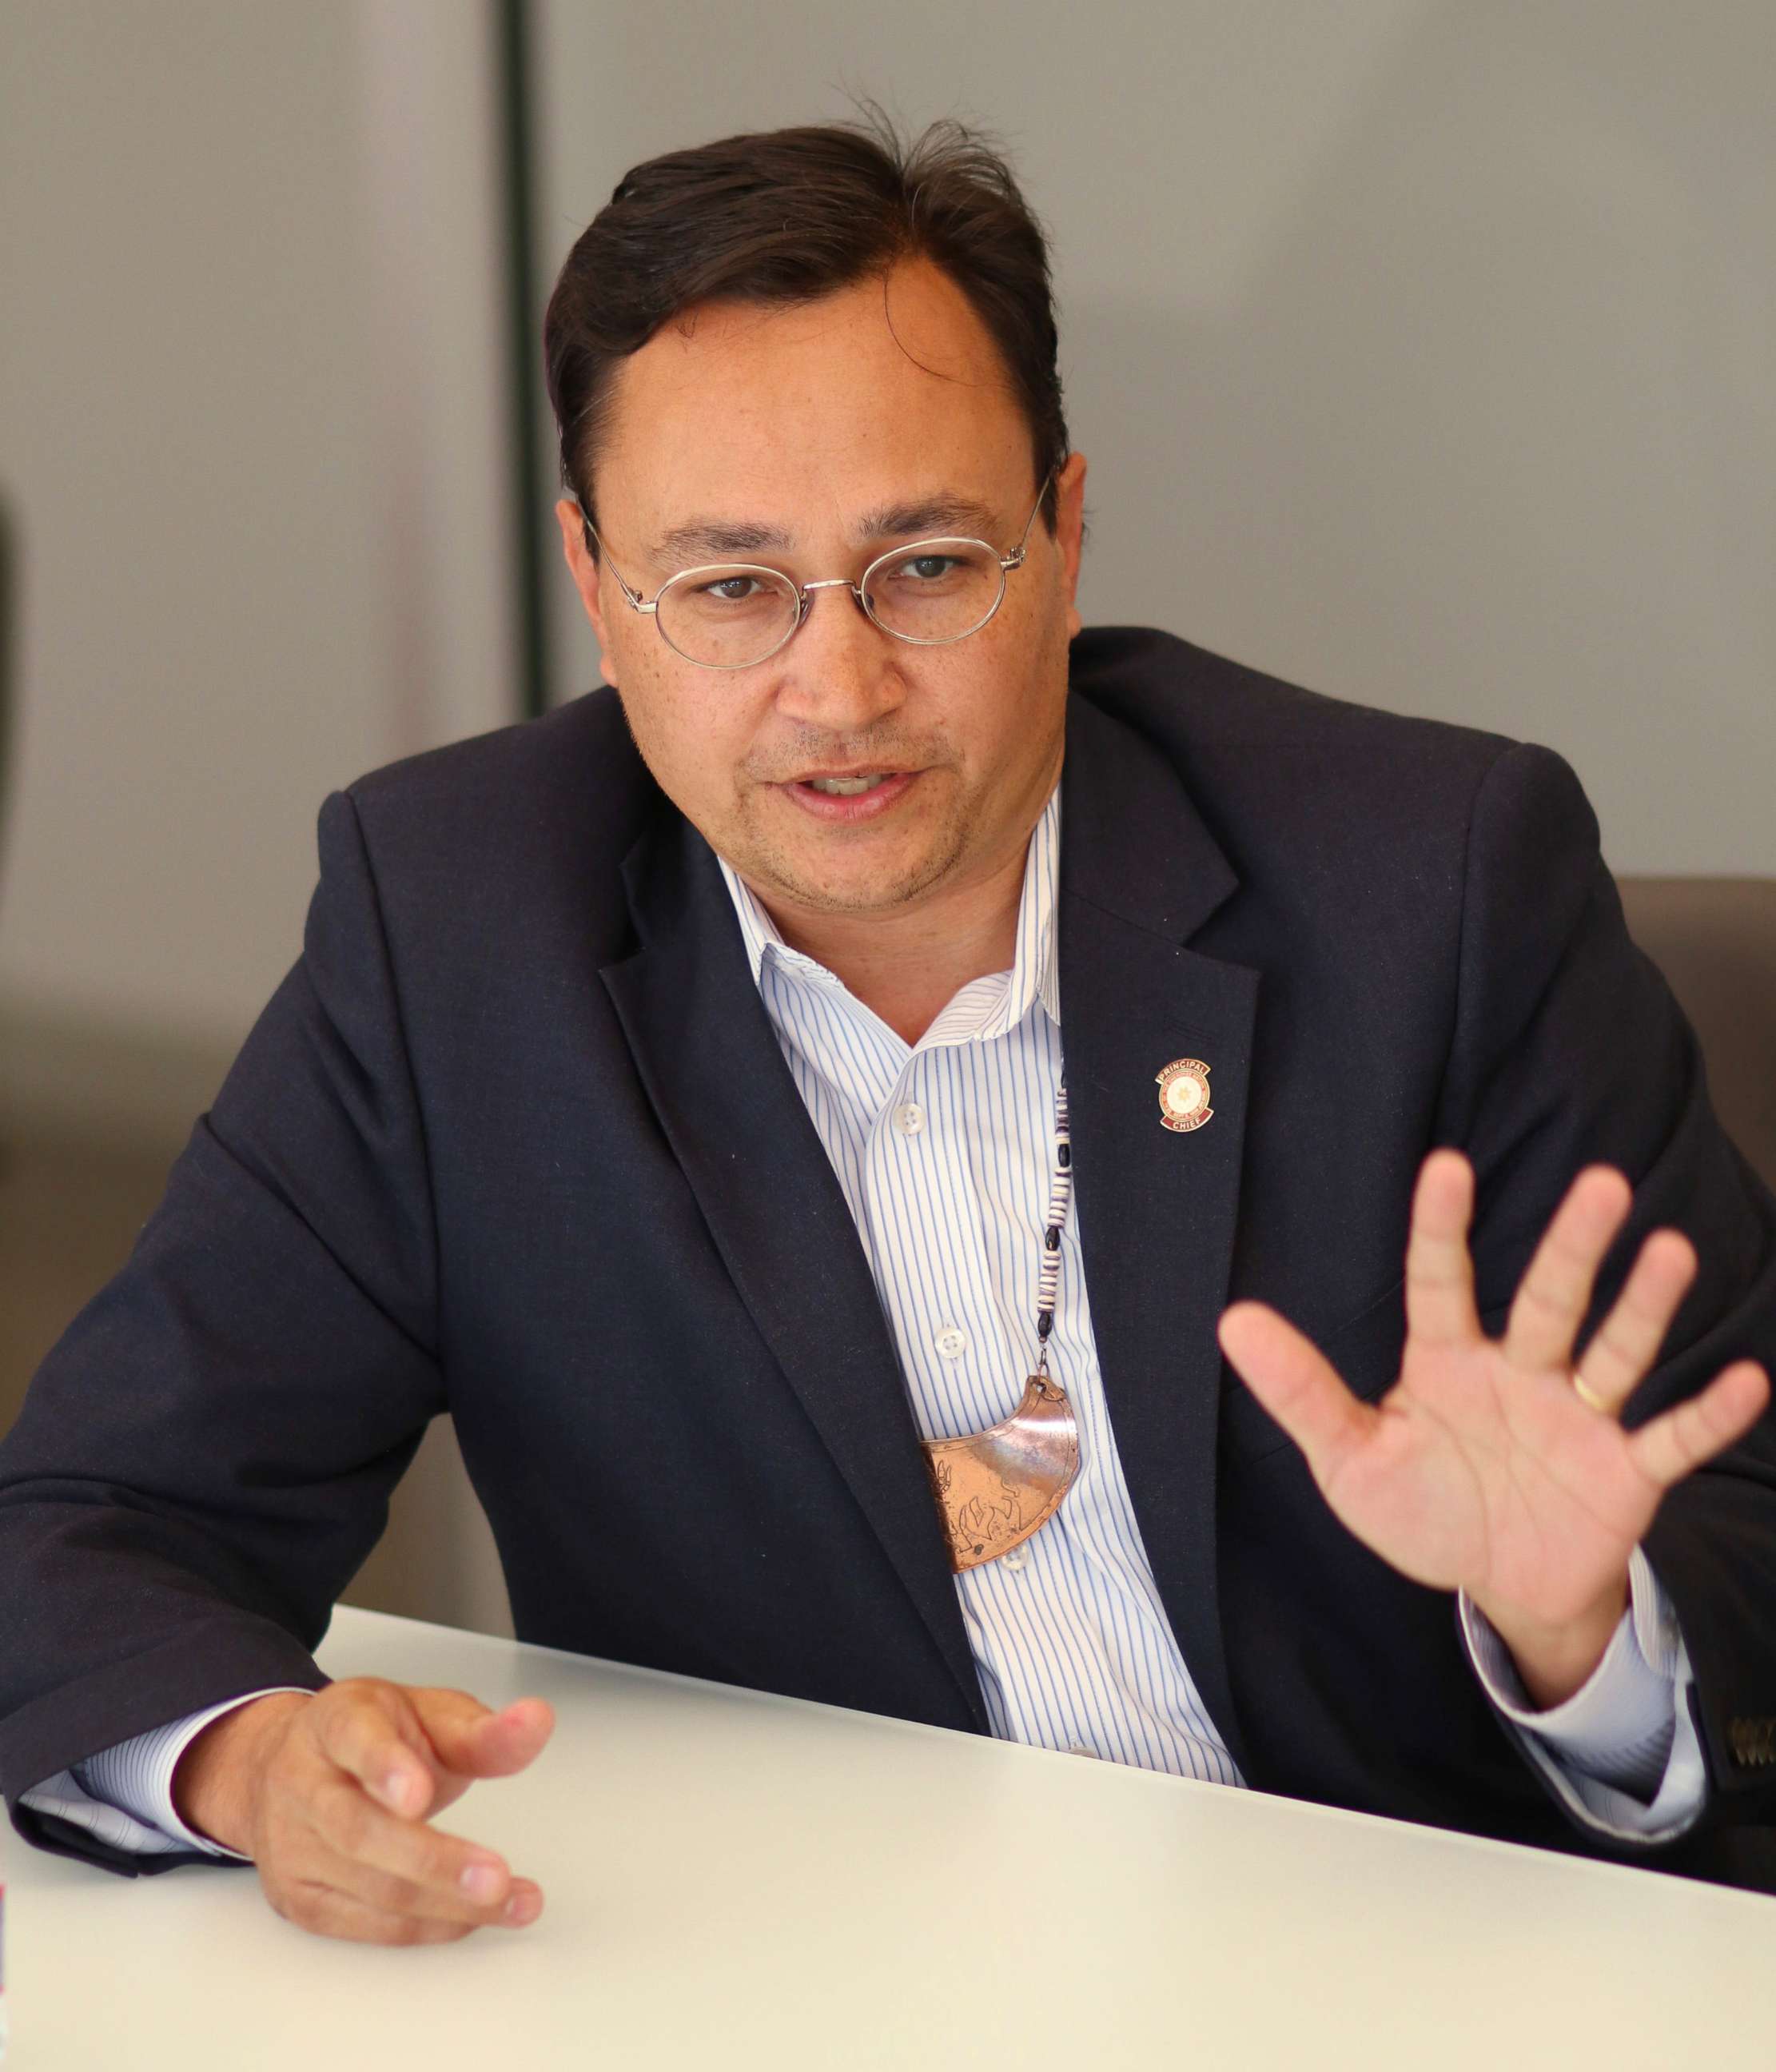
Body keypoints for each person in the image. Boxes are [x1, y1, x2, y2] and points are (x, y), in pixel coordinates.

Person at [2, 116, 1774, 1949]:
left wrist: (1581, 1632)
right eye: (727, 589)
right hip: (815, 1993)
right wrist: (247, 1763)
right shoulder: (457, 930)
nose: (836, 688)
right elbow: (90, 1520)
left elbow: (1743, 1533)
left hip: (1421, 1982)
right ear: (598, 588)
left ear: (1064, 534)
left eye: (926, 566)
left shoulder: (1434, 883)